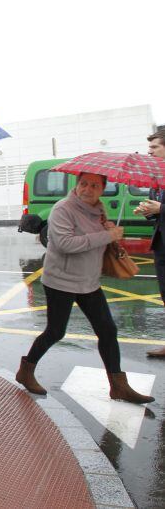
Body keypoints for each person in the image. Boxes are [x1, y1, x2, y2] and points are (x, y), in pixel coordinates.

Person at [16, 173, 155, 404]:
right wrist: (105, 235)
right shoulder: (63, 209)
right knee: (56, 331)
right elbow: (64, 243)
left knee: (108, 331)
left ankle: (118, 386)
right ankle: (26, 370)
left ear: (102, 189)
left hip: (88, 281)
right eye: (83, 184)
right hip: (61, 280)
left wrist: (110, 231)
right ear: (76, 185)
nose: (87, 189)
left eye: (94, 185)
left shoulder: (98, 209)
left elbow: (97, 241)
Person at [136, 130, 165, 358]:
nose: (150, 151)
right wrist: (148, 211)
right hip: (161, 245)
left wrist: (161, 208)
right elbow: (157, 212)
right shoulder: (156, 178)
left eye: (154, 147)